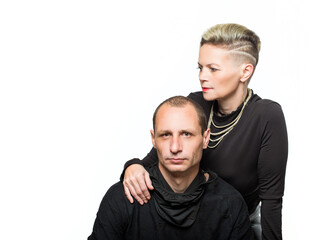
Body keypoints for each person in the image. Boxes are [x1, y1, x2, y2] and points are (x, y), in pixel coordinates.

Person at [122, 24, 288, 240]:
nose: (202, 76)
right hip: (188, 221)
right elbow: (157, 158)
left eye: (213, 68)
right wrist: (132, 167)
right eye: (200, 67)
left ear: (245, 71)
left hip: (238, 227)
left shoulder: (266, 115)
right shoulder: (196, 103)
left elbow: (272, 201)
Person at [88, 96, 253, 240]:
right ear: (154, 139)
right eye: (165, 135)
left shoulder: (230, 204)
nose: (175, 147)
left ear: (205, 138)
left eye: (186, 134)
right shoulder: (122, 198)